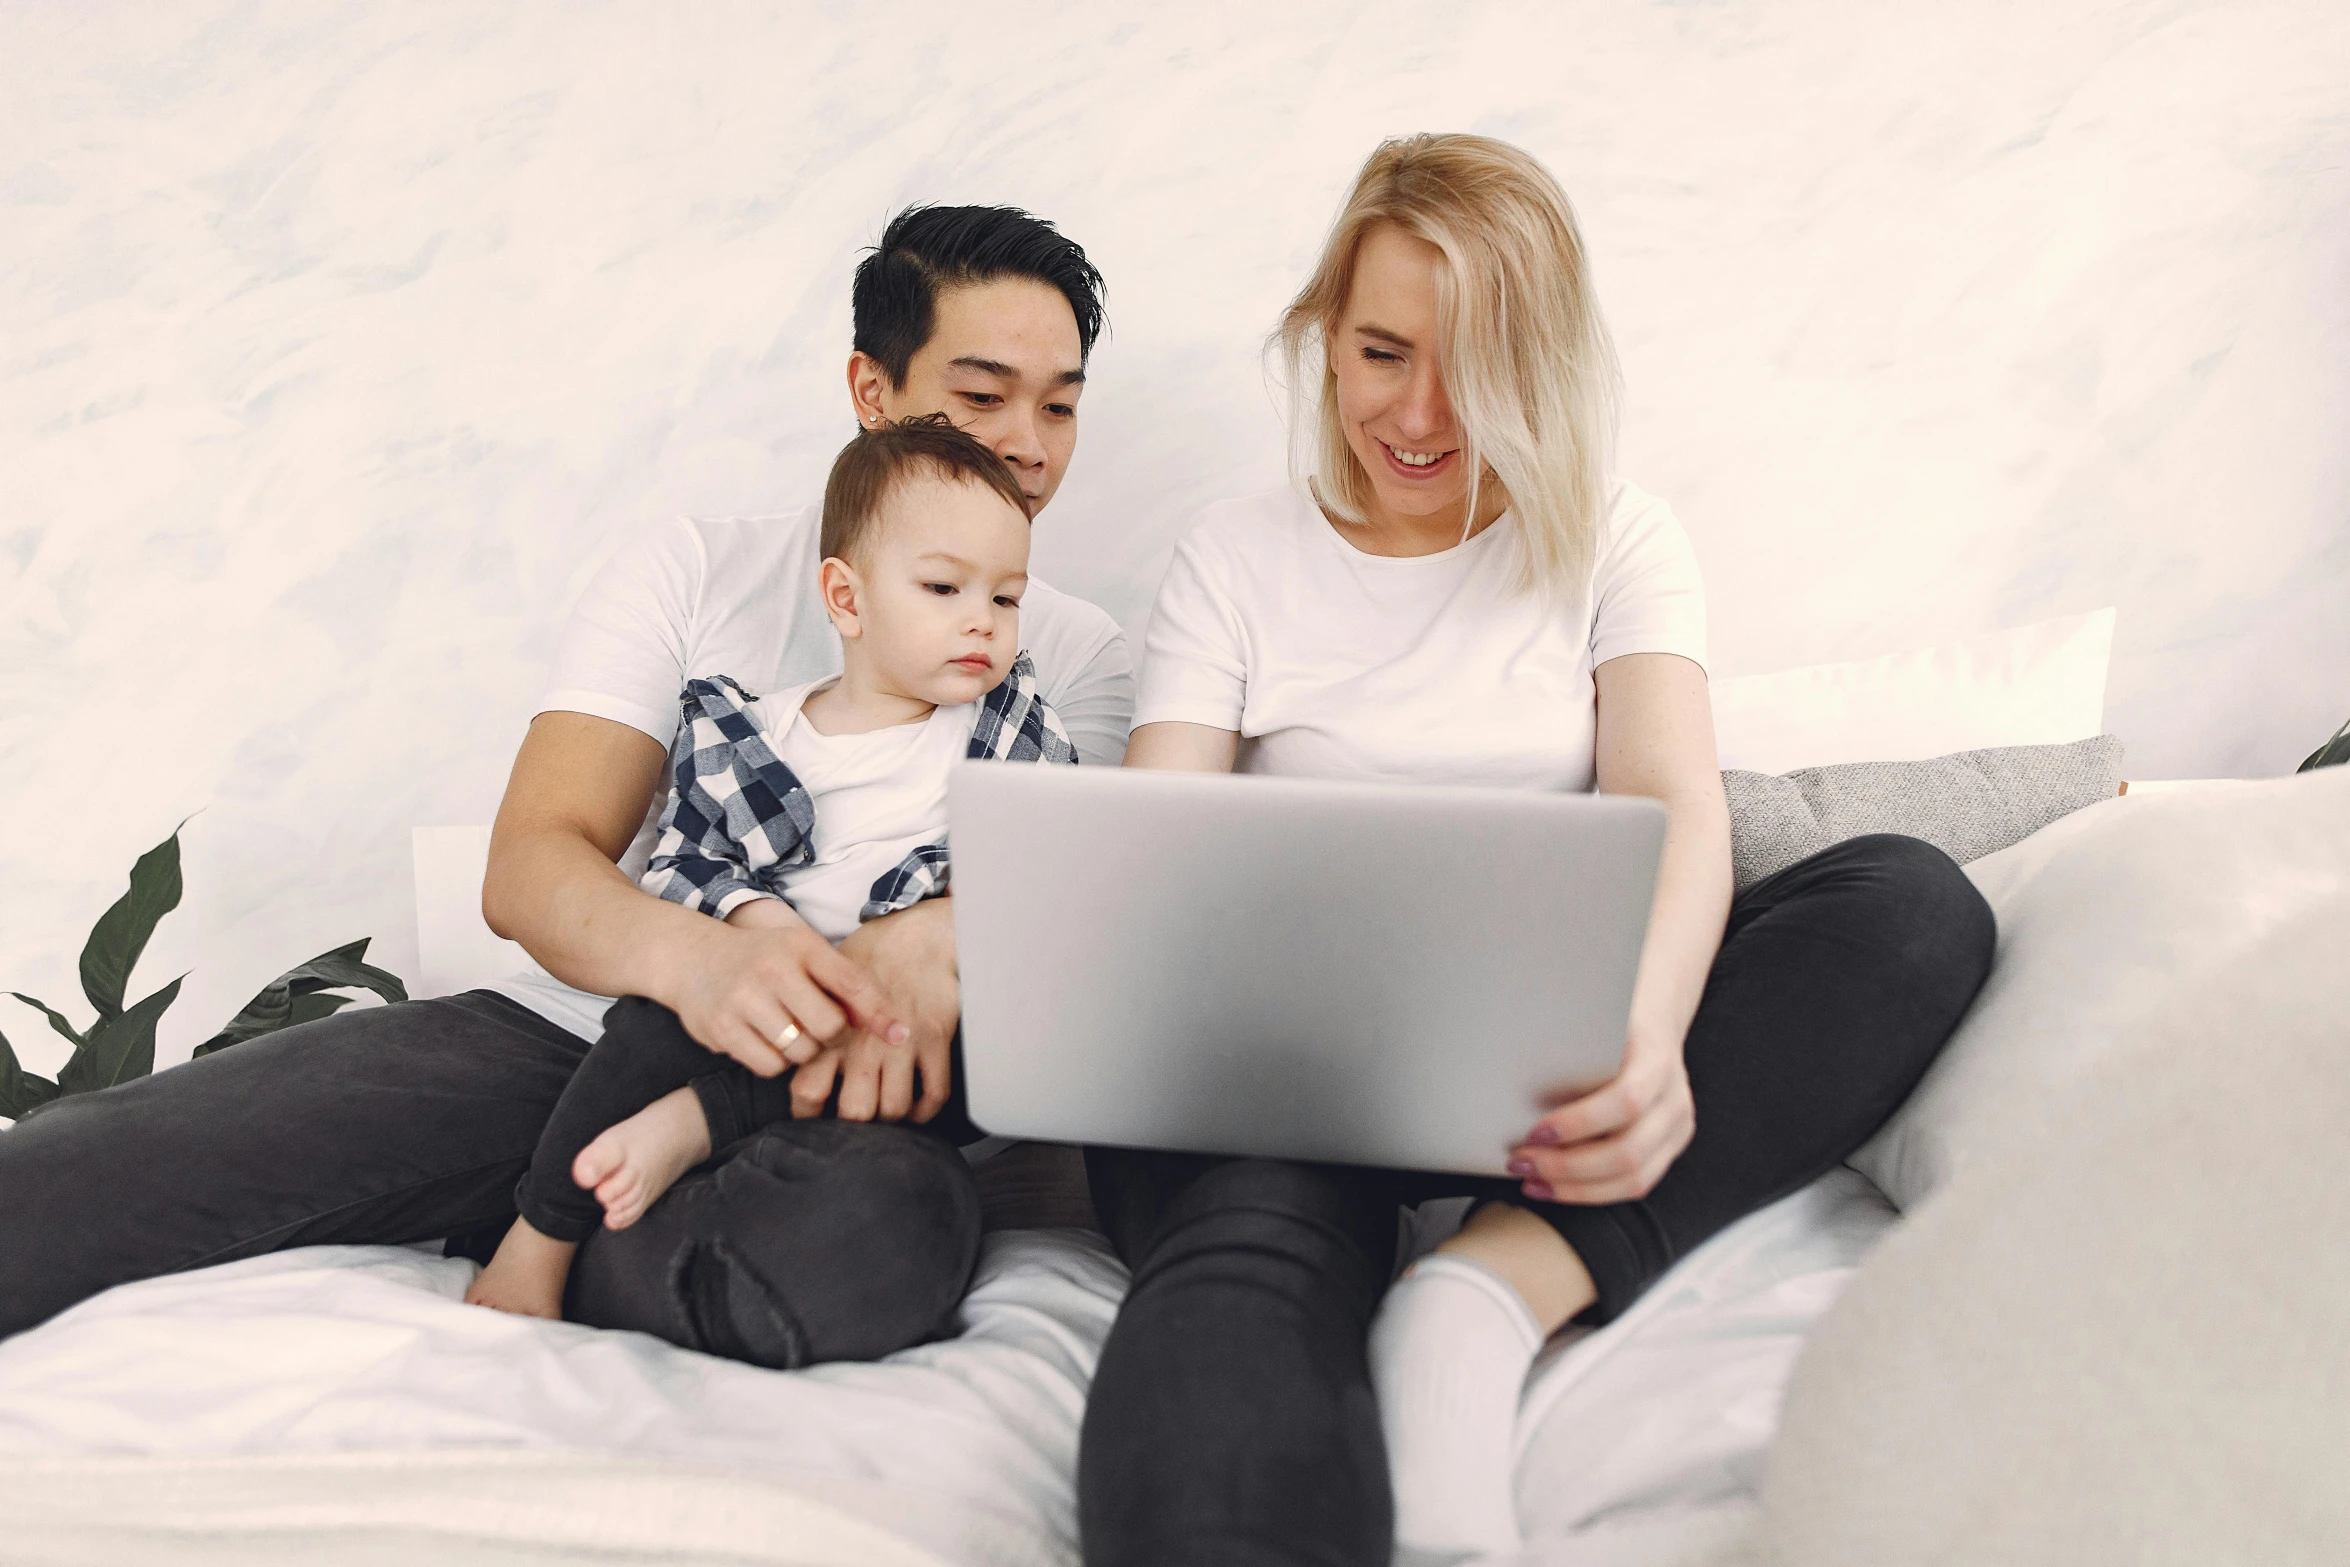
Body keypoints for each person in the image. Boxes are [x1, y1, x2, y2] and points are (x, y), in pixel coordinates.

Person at [1077, 134, 1996, 1565]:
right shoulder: (1233, 559)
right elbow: (1153, 856)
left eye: (1479, 362)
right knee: (1231, 1284)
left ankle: (1486, 1289)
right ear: (1324, 340)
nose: (1423, 414)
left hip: (1534, 1088)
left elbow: (1667, 800)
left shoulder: (1616, 537)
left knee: (1909, 901)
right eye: (1383, 351)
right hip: (1282, 1091)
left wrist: (1643, 1035)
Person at [0, 206, 1132, 1367]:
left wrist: (925, 945)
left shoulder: (1076, 659)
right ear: (872, 387)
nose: (1027, 443)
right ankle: (553, 1197)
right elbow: (535, 861)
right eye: (982, 394)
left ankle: (551, 1229)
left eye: (1059, 405)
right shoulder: (696, 570)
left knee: (878, 1236)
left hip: (832, 1098)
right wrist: (706, 962)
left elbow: (1050, 908)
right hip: (587, 1040)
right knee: (64, 1186)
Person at [465, 414, 1078, 1346]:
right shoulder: (759, 733)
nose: (980, 622)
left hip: (895, 1040)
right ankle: (537, 1237)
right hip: (753, 1001)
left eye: (1006, 598)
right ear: (847, 597)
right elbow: (687, 862)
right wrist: (755, 926)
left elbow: (1056, 876)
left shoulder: (1006, 735)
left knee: (978, 1069)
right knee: (643, 1024)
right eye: (945, 587)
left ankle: (697, 1123)